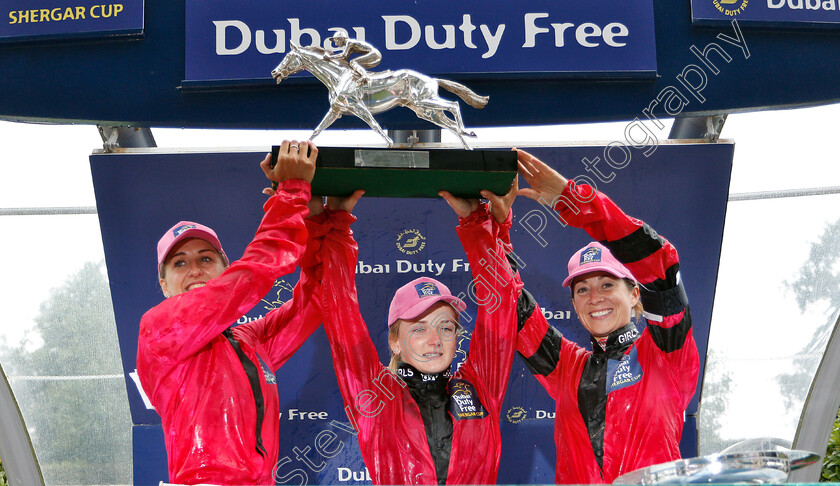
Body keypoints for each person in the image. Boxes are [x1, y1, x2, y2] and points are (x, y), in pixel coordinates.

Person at [136, 141, 323, 485]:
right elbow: (252, 274)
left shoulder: (248, 339)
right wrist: (291, 194)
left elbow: (315, 300)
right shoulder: (159, 327)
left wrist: (322, 223)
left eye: (206, 259)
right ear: (164, 285)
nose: (195, 269)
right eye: (180, 263)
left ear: (225, 267)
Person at [311, 181, 521, 485]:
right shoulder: (375, 397)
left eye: (445, 327)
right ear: (395, 342)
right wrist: (338, 224)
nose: (434, 340)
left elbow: (501, 303)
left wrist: (478, 222)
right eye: (419, 328)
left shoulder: (481, 384)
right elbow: (340, 309)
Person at [513, 149, 700, 484]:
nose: (594, 296)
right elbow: (510, 307)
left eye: (607, 284)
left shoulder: (665, 351)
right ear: (573, 303)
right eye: (582, 289)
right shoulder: (566, 365)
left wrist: (576, 203)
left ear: (635, 293)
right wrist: (489, 226)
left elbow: (660, 263)